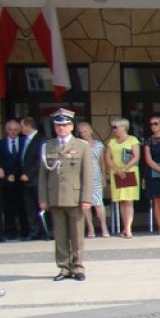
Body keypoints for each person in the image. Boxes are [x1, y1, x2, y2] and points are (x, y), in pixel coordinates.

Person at [38, 109, 94, 280]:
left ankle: (78, 267)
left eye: (64, 125)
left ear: (71, 127)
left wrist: (86, 198)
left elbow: (87, 174)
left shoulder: (81, 146)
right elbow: (42, 175)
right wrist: (42, 199)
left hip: (75, 197)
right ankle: (64, 267)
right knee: (60, 236)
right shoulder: (48, 146)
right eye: (58, 126)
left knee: (77, 235)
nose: (61, 129)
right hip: (55, 197)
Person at [105, 118, 140, 238]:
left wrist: (124, 169)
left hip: (129, 172)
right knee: (121, 201)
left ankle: (128, 229)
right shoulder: (111, 142)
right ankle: (125, 227)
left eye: (116, 127)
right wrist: (116, 169)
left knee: (129, 201)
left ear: (124, 127)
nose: (114, 130)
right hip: (116, 172)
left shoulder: (133, 140)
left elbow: (136, 157)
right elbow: (108, 158)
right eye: (113, 127)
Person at [76, 122, 109, 238]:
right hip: (82, 177)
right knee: (86, 204)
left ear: (91, 131)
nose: (84, 134)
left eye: (85, 131)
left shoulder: (99, 145)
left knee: (98, 203)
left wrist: (104, 177)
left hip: (96, 176)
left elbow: (103, 163)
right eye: (81, 132)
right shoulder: (78, 145)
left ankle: (104, 227)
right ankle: (90, 229)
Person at [19, 116, 48, 240]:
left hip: (37, 180)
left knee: (41, 206)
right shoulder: (25, 140)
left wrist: (29, 174)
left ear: (28, 126)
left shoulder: (40, 140)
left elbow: (40, 160)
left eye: (21, 126)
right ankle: (34, 232)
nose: (20, 128)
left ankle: (45, 231)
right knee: (30, 208)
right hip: (26, 182)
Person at [0, 119, 24, 239]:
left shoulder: (24, 142)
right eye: (10, 130)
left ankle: (25, 230)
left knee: (23, 206)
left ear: (19, 130)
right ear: (6, 130)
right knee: (8, 207)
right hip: (6, 182)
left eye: (15, 130)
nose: (13, 132)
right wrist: (2, 172)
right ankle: (10, 231)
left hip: (22, 181)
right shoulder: (1, 143)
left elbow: (25, 162)